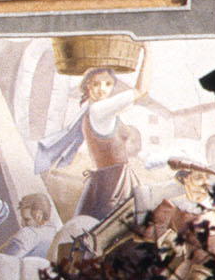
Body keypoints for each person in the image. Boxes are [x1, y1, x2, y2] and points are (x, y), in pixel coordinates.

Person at [35, 46, 152, 222]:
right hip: (115, 182)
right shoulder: (100, 110)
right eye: (96, 84)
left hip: (100, 180)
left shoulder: (88, 111)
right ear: (88, 85)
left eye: (107, 84)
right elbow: (141, 90)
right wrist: (148, 53)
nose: (102, 89)